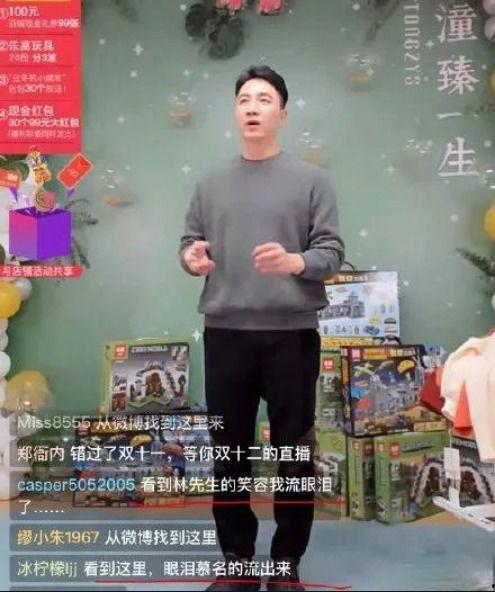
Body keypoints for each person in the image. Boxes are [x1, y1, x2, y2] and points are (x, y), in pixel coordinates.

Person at [179, 65, 345, 592]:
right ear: (236, 112)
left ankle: (285, 563)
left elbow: (331, 252)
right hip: (226, 333)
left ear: (282, 114)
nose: (252, 107)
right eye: (244, 99)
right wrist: (192, 258)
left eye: (264, 99)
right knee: (229, 452)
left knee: (293, 451)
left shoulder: (312, 180)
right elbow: (189, 242)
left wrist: (295, 262)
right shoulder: (209, 182)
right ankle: (238, 561)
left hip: (291, 336)